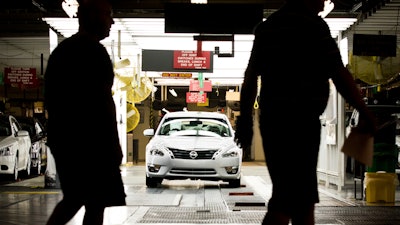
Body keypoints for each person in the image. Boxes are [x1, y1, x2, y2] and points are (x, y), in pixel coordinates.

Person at [234, 0, 376, 224]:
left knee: (295, 197)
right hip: (302, 122)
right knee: (289, 199)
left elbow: (251, 77)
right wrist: (365, 112)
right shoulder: (314, 27)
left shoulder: (268, 27)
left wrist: (246, 122)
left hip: (273, 122)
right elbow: (339, 74)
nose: (324, 1)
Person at [44, 0, 126, 224]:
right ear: (94, 17)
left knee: (79, 198)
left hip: (66, 140)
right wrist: (113, 144)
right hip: (91, 144)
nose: (111, 21)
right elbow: (101, 103)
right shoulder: (93, 52)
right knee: (90, 200)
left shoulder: (63, 51)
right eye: (108, 14)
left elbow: (53, 100)